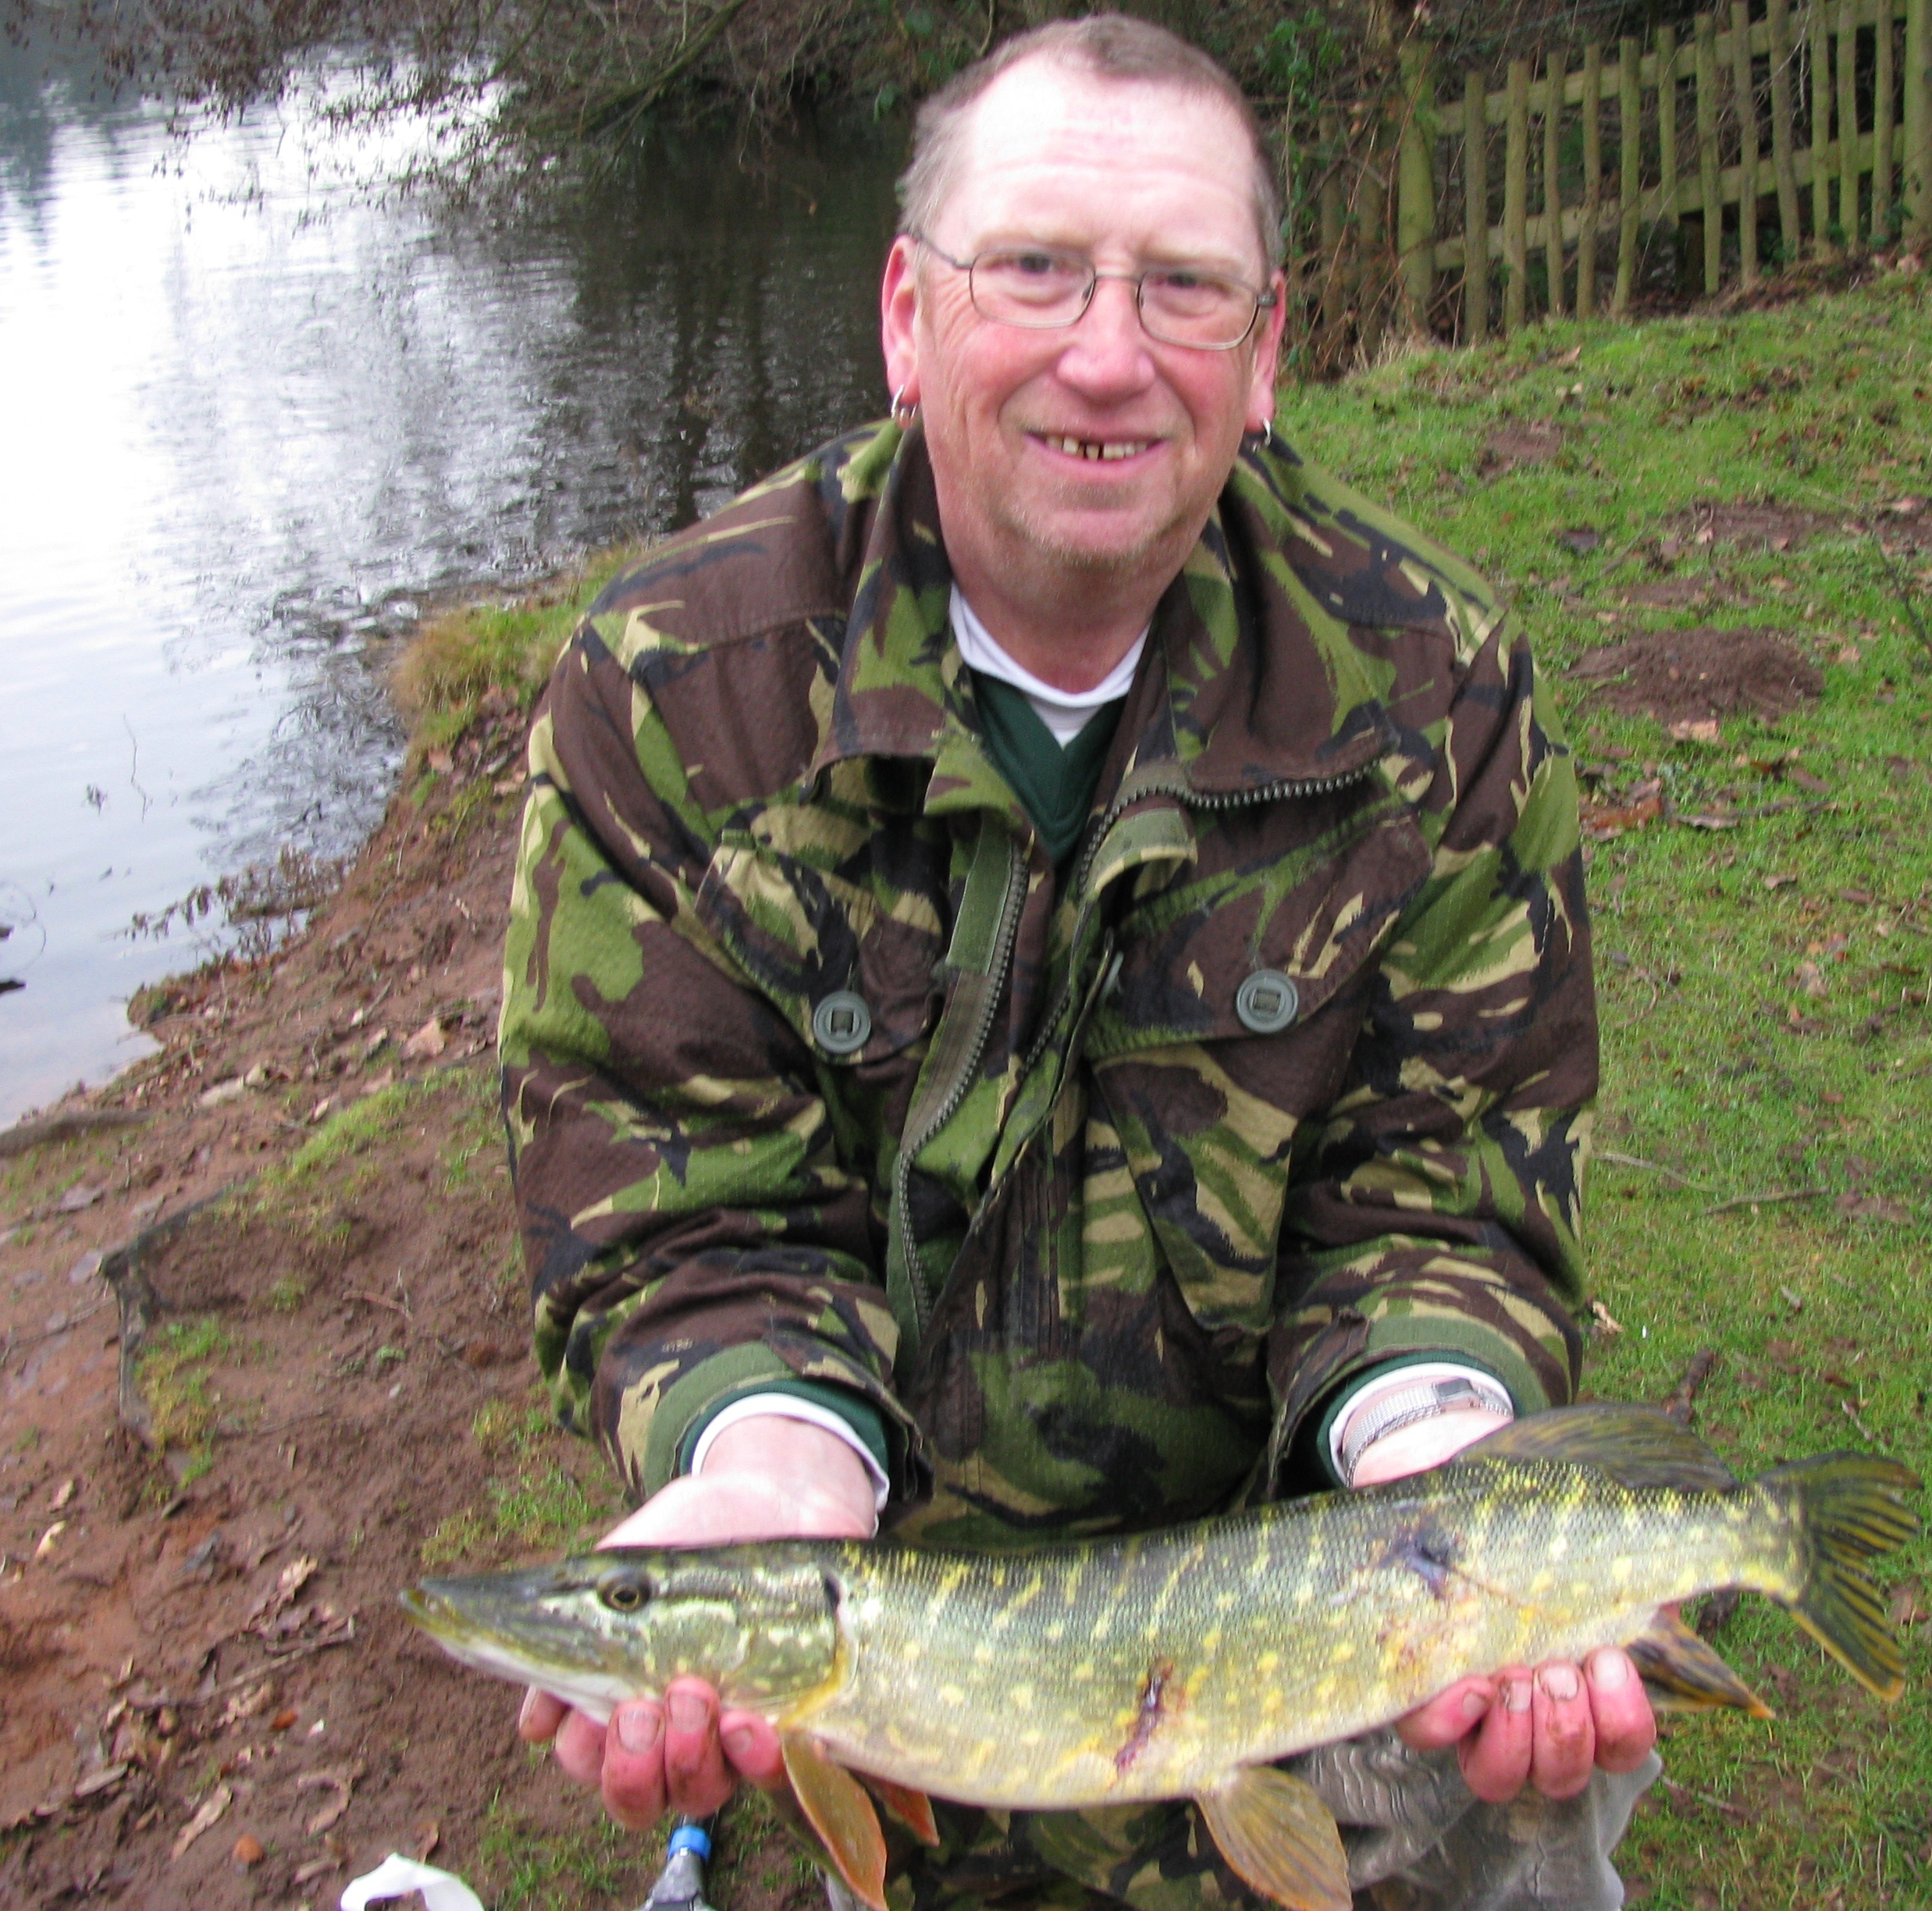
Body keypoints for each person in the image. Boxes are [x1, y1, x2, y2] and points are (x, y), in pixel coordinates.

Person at [498, 15, 1657, 1909]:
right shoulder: (672, 689)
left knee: (1517, 1798)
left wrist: (1452, 1464)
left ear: (1266, 351)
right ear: (905, 312)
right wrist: (762, 1458)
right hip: (888, 1585)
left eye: (1184, 289)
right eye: (1032, 267)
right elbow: (675, 1202)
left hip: (1328, 1607)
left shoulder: (1433, 689)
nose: (1106, 357)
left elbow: (1443, 1192)